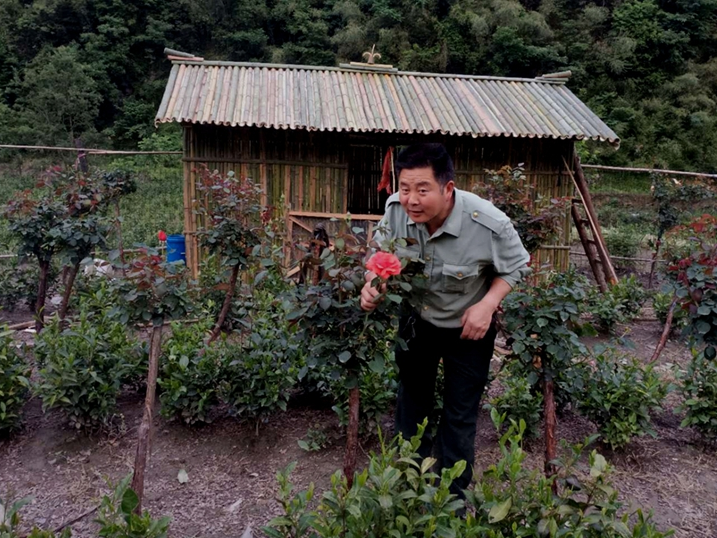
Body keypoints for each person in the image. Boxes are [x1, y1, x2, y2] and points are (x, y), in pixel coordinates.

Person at [360, 143, 530, 498]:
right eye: (405, 189)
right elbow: (380, 254)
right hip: (416, 321)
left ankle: (451, 497)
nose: (411, 200)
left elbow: (516, 266)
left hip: (467, 329)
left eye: (423, 189)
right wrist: (371, 285)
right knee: (411, 402)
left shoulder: (488, 223)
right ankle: (408, 484)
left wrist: (488, 304)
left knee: (460, 413)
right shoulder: (395, 211)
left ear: (447, 188)